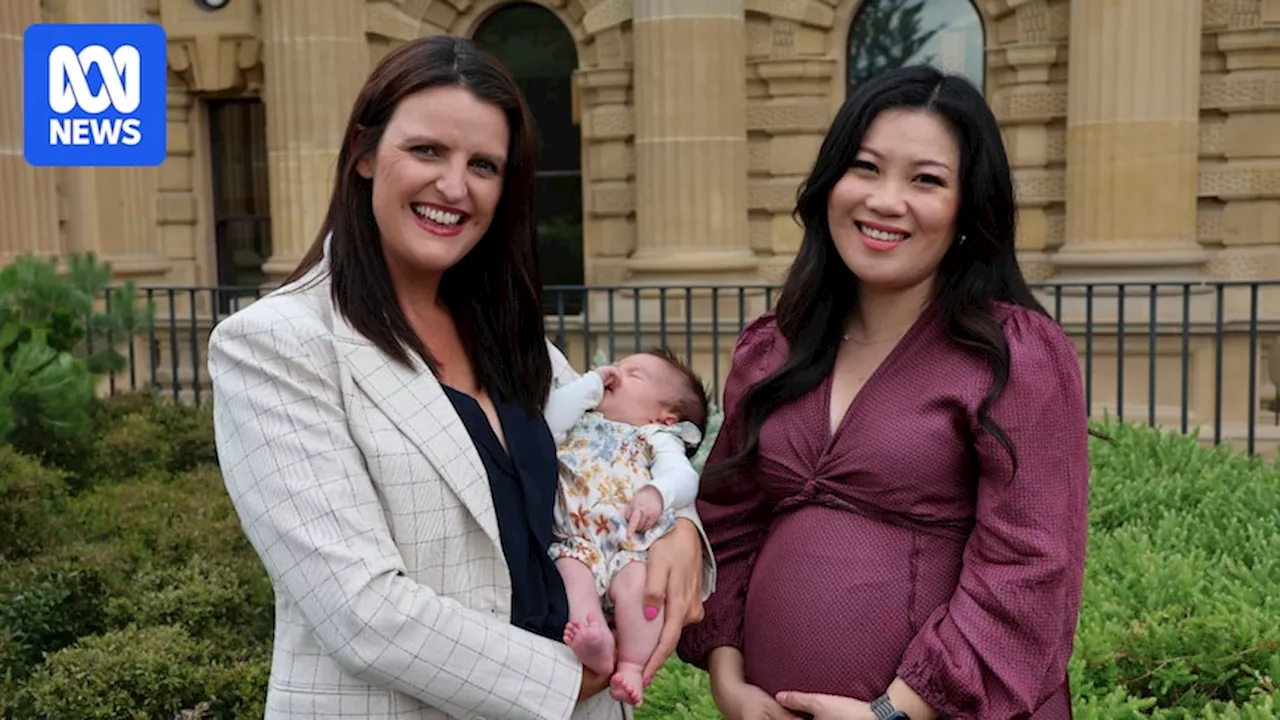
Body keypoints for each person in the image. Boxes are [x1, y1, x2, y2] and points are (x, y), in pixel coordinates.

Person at [207, 35, 713, 720]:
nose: (454, 186)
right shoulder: (276, 345)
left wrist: (680, 532)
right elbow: (364, 609)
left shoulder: (512, 334)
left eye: (484, 164)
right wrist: (566, 684)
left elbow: (613, 463)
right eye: (426, 151)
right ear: (363, 154)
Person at [675, 65, 1091, 720]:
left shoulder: (1016, 357)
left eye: (926, 180)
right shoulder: (771, 350)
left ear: (966, 208)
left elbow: (1030, 568)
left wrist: (893, 711)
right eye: (865, 168)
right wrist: (728, 674)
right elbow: (725, 522)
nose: (885, 200)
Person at [540, 349, 710, 707]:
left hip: (628, 544)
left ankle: (631, 664)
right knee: (573, 580)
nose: (616, 373)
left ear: (665, 418)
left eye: (634, 375)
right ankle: (596, 642)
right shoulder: (577, 419)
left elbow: (683, 477)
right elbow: (547, 421)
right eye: (618, 366)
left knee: (638, 588)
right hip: (575, 542)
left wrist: (657, 494)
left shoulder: (655, 437)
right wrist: (590, 385)